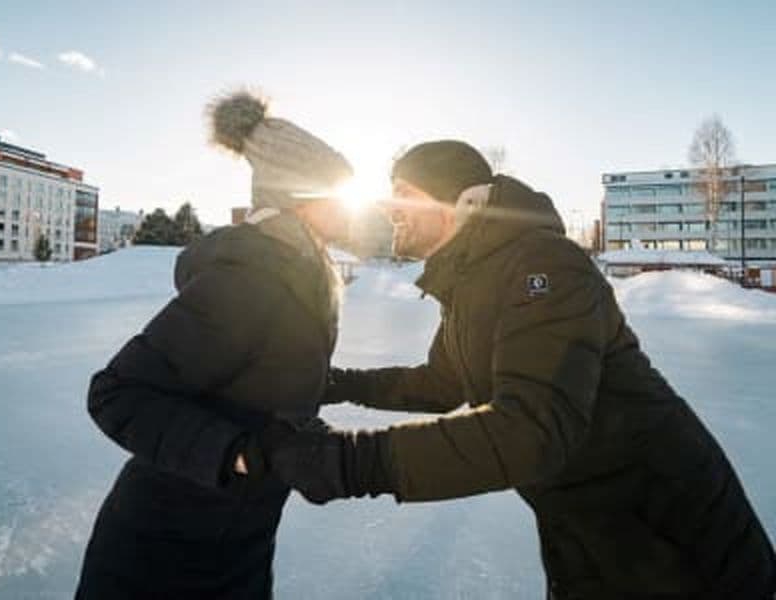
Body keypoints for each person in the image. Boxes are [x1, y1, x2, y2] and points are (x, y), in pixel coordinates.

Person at [241, 141, 776, 599]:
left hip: (675, 546)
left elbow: (532, 431)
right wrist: (336, 383)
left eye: (404, 192)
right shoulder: (472, 282)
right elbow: (442, 384)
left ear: (461, 200)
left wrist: (344, 462)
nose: (389, 208)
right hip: (591, 538)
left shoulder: (545, 265)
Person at [75, 90, 354, 599]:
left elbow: (270, 377)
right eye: (338, 192)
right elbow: (117, 393)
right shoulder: (251, 279)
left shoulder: (306, 275)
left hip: (238, 542)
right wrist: (241, 454)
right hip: (159, 554)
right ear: (301, 196)